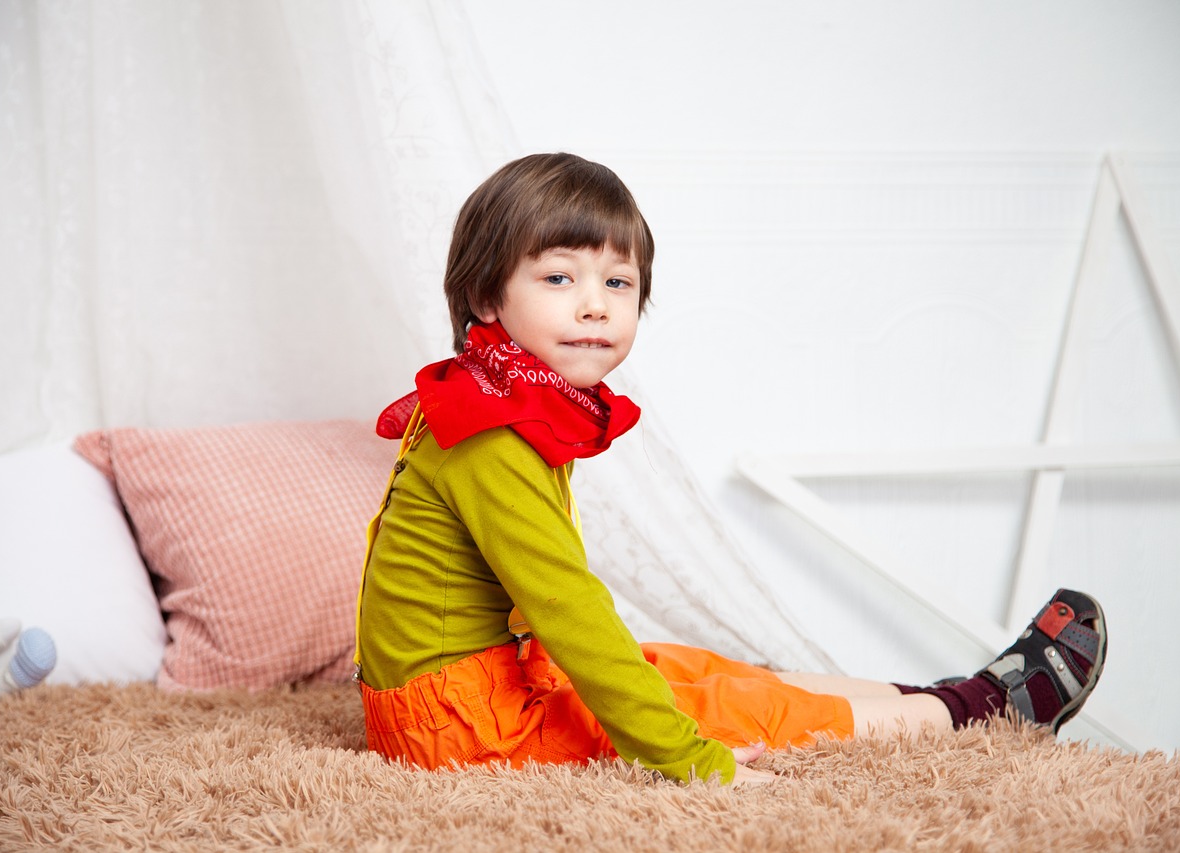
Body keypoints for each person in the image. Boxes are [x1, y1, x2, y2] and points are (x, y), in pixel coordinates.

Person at [353, 152, 1107, 786]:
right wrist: (687, 754)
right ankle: (986, 707)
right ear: (486, 294)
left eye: (617, 283)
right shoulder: (491, 433)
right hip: (459, 726)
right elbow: (569, 609)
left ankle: (926, 696)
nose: (594, 306)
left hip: (466, 685)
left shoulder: (491, 392)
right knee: (715, 706)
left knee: (687, 664)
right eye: (559, 279)